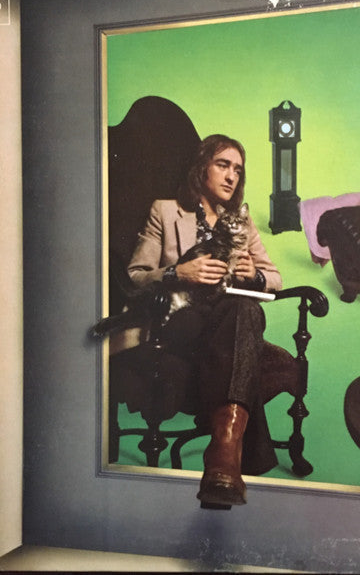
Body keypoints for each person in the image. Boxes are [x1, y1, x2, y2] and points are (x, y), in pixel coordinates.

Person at [127, 134, 282, 507]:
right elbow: (135, 276)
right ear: (202, 168)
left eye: (238, 170)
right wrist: (179, 272)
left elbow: (275, 278)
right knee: (244, 321)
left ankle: (223, 460)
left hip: (227, 322)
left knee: (245, 309)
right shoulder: (166, 211)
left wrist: (254, 275)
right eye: (223, 165)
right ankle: (233, 458)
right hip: (181, 319)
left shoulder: (241, 222)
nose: (231, 176)